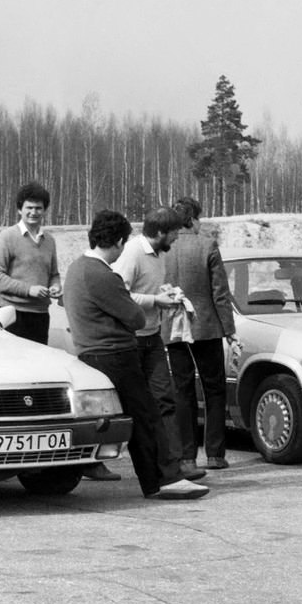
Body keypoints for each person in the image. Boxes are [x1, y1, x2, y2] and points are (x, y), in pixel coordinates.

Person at [61, 210, 208, 501]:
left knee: (131, 418)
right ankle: (164, 480)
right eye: (122, 243)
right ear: (116, 242)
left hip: (91, 352)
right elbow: (135, 318)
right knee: (147, 417)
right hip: (115, 354)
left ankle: (158, 480)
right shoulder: (103, 275)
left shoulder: (76, 269)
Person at [0, 182, 119, 481]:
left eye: (39, 208)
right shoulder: (7, 237)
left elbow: (54, 272)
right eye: (29, 208)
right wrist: (27, 289)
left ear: (45, 211)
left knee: (35, 377)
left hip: (39, 315)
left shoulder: (49, 241)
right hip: (11, 316)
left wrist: (56, 286)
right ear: (19, 209)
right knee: (11, 377)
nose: (34, 213)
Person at [111, 207, 204, 482]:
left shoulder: (159, 255)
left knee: (166, 399)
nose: (177, 238)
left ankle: (176, 466)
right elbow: (119, 294)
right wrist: (155, 301)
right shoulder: (131, 253)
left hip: (153, 337)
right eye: (174, 232)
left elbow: (146, 290)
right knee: (132, 405)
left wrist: (166, 294)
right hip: (131, 340)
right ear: (161, 232)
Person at [163, 196, 240, 472]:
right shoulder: (207, 244)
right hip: (206, 327)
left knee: (182, 390)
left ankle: (186, 455)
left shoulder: (165, 248)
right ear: (194, 219)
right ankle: (216, 454)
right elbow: (220, 293)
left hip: (173, 326)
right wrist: (229, 330)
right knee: (214, 389)